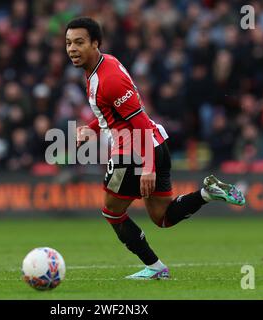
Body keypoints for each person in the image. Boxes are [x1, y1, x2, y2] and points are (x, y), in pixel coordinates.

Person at [65, 17, 245, 280]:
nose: (72, 49)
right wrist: (91, 128)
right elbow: (115, 112)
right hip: (157, 144)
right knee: (162, 217)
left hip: (134, 153)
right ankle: (207, 193)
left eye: (79, 42)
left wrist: (147, 167)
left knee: (111, 212)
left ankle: (156, 267)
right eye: (69, 43)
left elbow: (138, 121)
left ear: (95, 43)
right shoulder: (104, 66)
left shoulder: (109, 78)